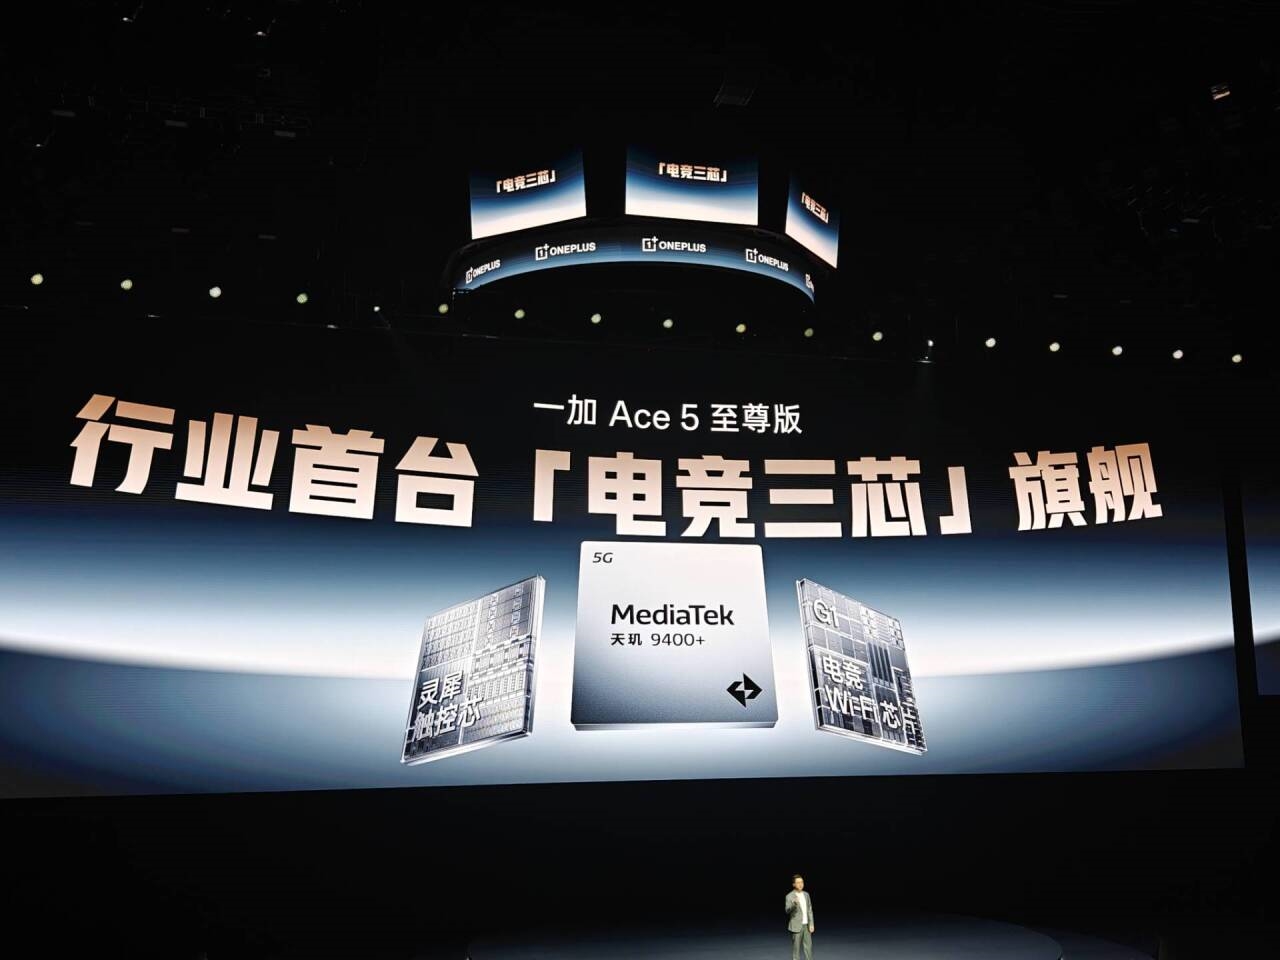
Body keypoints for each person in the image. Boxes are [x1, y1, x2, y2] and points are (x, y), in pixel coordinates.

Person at [784, 873, 814, 959]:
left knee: (808, 948)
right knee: (796, 949)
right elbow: (787, 910)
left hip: (806, 925)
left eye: (802, 882)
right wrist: (794, 904)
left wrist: (811, 924)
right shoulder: (789, 896)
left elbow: (809, 910)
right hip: (796, 926)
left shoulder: (806, 894)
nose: (800, 884)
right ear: (794, 884)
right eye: (798, 882)